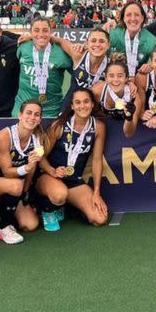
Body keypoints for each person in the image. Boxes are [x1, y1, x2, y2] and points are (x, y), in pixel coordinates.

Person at [35, 88, 108, 231]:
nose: (82, 106)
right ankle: (47, 209)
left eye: (86, 101)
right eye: (78, 102)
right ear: (72, 106)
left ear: (93, 104)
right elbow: (40, 156)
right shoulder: (59, 125)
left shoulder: (98, 127)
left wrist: (96, 192)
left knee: (100, 218)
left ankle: (67, 207)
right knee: (59, 194)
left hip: (74, 180)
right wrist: (52, 171)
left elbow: (97, 160)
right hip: (49, 176)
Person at [0, 101, 46, 243]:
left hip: (15, 187)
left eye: (37, 115)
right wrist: (27, 168)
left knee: (31, 224)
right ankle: (5, 228)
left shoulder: (38, 138)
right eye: (28, 113)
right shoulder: (4, 136)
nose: (32, 117)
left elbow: (32, 168)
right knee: (15, 184)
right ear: (20, 115)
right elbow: (7, 173)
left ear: (40, 119)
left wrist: (25, 193)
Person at [13, 16, 77, 117]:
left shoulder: (61, 54)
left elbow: (77, 75)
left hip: (51, 110)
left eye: (45, 30)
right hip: (23, 108)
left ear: (51, 32)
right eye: (36, 30)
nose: (41, 34)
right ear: (30, 32)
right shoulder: (23, 47)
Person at [92, 53, 143, 137]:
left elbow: (129, 134)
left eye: (120, 76)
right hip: (103, 131)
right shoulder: (97, 91)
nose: (115, 80)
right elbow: (91, 114)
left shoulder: (134, 97)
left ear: (126, 78)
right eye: (111, 76)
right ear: (106, 78)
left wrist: (129, 118)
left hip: (122, 134)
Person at [108, 2, 156, 79]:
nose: (133, 19)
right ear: (123, 18)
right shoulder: (112, 33)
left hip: (138, 83)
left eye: (137, 15)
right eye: (128, 15)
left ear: (142, 18)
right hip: (113, 80)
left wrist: (151, 65)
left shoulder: (151, 41)